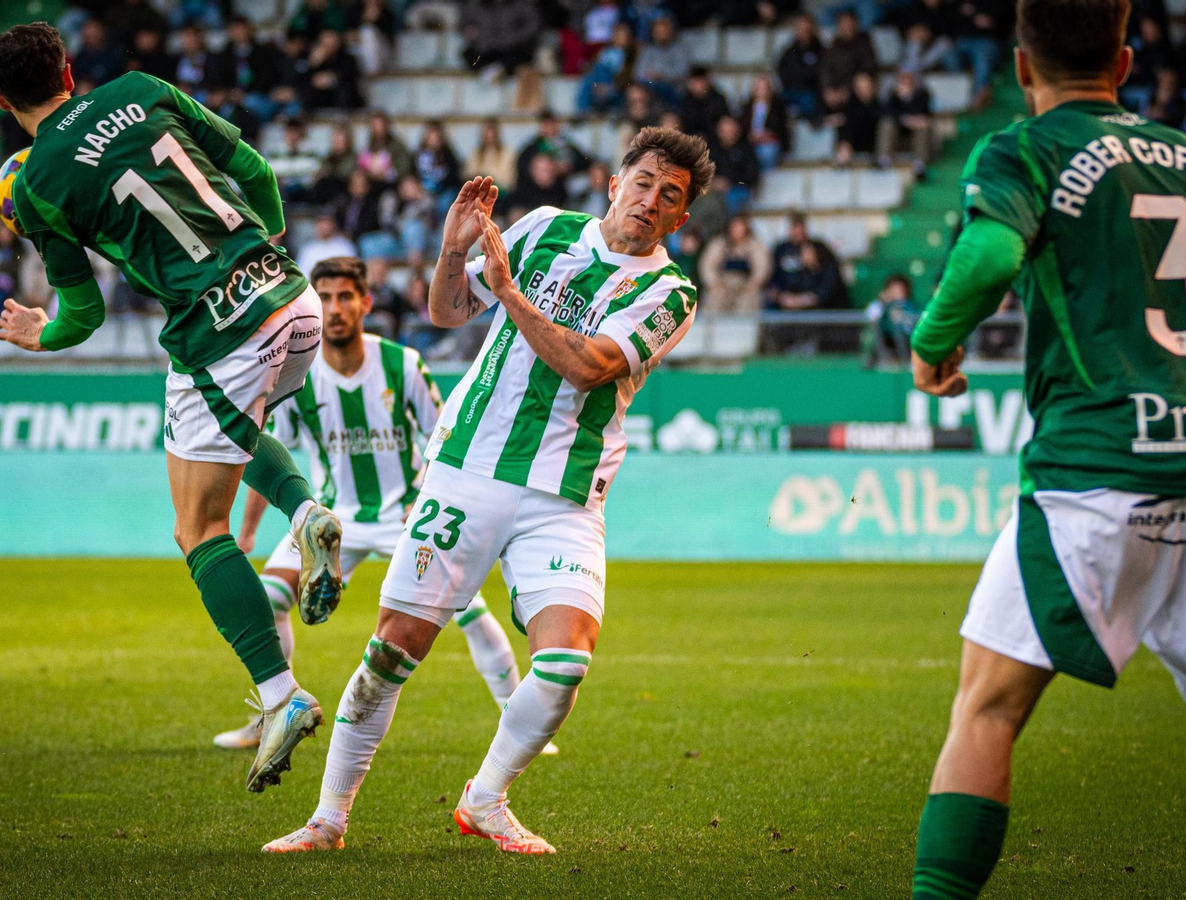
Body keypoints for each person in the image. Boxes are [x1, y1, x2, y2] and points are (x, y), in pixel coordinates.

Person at [905, 2, 1186, 897]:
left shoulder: (1022, 150)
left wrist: (929, 344)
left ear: (1022, 68)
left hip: (1093, 474)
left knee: (986, 709)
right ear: (1128, 58)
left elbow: (989, 258)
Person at [265, 127, 713, 855]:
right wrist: (451, 250)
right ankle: (328, 819)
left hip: (564, 494)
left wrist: (508, 292)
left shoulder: (670, 292)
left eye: (670, 196)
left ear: (680, 218)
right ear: (613, 181)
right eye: (643, 182)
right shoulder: (540, 229)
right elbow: (447, 311)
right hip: (466, 473)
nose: (650, 201)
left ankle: (485, 799)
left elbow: (592, 365)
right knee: (390, 654)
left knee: (566, 663)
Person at [0, 23, 345, 798]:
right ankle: (307, 507)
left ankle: (283, 698)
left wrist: (34, 335)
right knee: (235, 432)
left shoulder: (37, 184)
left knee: (197, 528)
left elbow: (82, 315)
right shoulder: (142, 89)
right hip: (292, 296)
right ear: (70, 71)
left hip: (218, 330)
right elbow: (254, 168)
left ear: (1, 100)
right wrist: (262, 257)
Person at [215, 256, 556, 757]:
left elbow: (445, 437)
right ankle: (270, 713)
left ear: (365, 303)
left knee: (472, 614)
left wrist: (429, 500)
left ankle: (516, 720)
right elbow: (271, 458)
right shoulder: (300, 376)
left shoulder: (402, 364)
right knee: (269, 600)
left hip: (407, 515)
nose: (334, 309)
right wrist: (247, 533)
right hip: (332, 521)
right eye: (324, 298)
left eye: (344, 297)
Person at [699, 214, 771, 314]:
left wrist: (753, 283)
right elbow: (707, 266)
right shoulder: (719, 243)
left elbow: (761, 267)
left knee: (749, 299)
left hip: (745, 285)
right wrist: (715, 283)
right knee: (713, 298)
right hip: (723, 283)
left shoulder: (754, 245)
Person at [878, 68, 934, 170]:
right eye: (902, 83)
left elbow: (926, 118)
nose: (905, 86)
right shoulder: (892, 97)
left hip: (914, 140)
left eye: (908, 83)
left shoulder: (923, 96)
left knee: (923, 129)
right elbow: (889, 115)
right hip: (897, 138)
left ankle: (919, 163)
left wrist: (908, 101)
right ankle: (884, 159)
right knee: (886, 124)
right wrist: (909, 120)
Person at [777, 13, 825, 121]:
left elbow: (820, 73)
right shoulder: (789, 51)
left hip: (811, 92)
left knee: (810, 102)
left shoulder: (821, 50)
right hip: (790, 90)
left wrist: (803, 78)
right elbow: (782, 71)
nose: (804, 31)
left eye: (806, 28)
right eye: (801, 28)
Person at [740, 74, 790, 173]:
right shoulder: (746, 107)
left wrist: (766, 134)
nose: (762, 91)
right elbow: (742, 128)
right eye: (759, 88)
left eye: (764, 88)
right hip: (750, 143)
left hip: (769, 142)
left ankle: (766, 179)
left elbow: (781, 128)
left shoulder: (778, 106)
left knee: (767, 151)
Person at [830, 72, 882, 165]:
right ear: (856, 90)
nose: (866, 92)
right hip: (854, 149)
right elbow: (846, 130)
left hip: (875, 149)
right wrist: (845, 144)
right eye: (862, 89)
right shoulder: (849, 109)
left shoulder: (880, 107)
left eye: (868, 88)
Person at [678, 65, 731, 139]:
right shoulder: (685, 100)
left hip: (715, 141)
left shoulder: (718, 100)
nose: (699, 86)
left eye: (701, 82)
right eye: (696, 82)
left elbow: (723, 120)